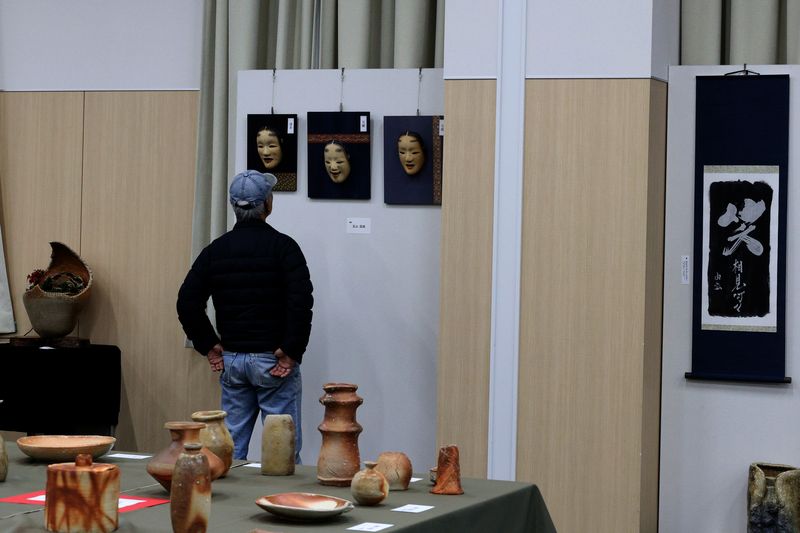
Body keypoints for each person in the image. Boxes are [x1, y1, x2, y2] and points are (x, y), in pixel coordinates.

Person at [177, 170, 313, 461]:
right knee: (283, 453)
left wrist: (209, 345)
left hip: (233, 361)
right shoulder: (284, 248)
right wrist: (291, 350)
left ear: (233, 206)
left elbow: (187, 302)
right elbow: (301, 303)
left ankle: (225, 491)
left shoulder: (215, 251)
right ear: (268, 204)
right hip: (274, 363)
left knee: (229, 450)